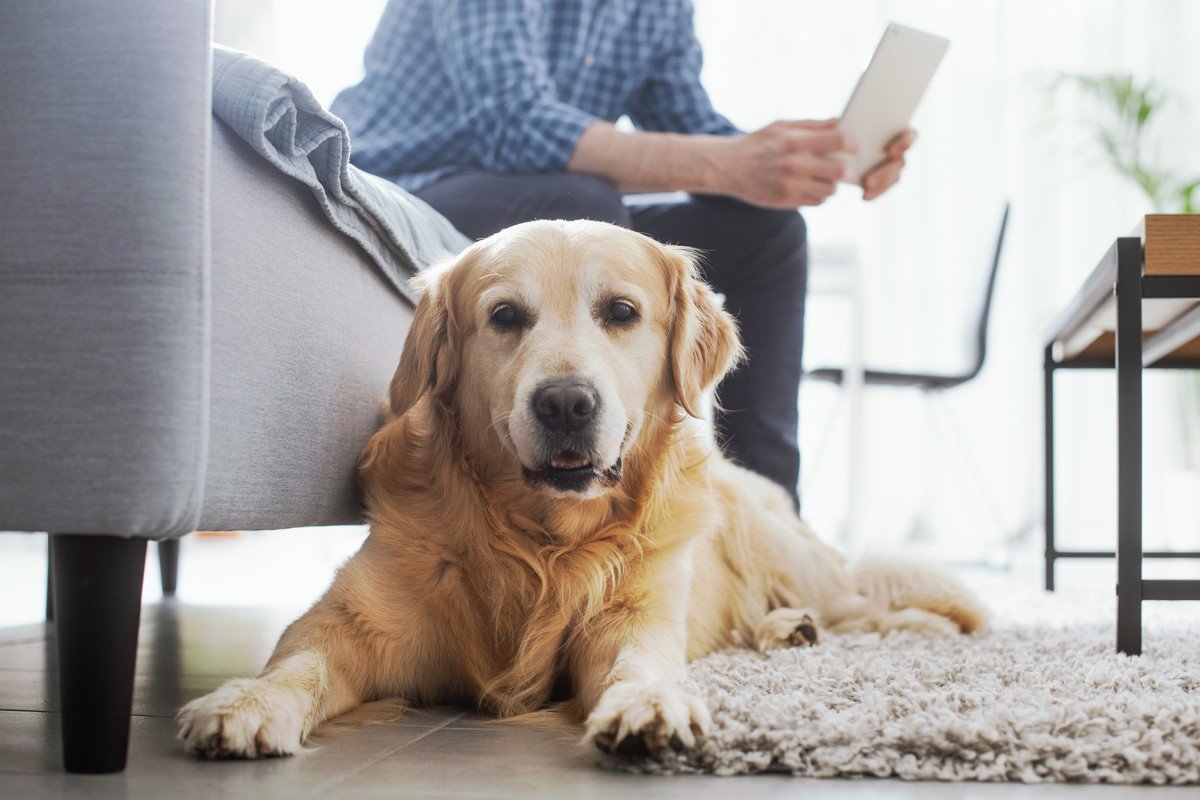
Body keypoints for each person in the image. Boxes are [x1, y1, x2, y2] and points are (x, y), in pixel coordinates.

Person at [331, 0, 914, 510]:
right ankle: (589, 484)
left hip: (548, 191)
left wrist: (810, 158)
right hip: (410, 185)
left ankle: (768, 513)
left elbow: (690, 129)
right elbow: (512, 124)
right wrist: (736, 162)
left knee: (769, 230)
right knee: (583, 200)